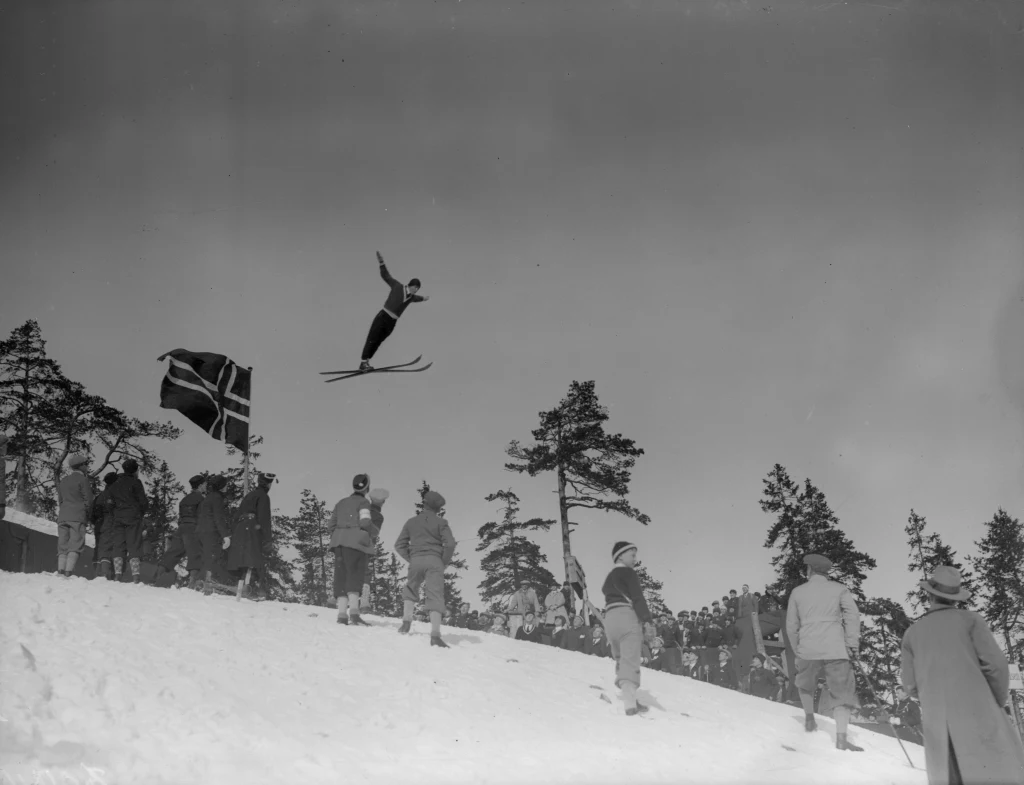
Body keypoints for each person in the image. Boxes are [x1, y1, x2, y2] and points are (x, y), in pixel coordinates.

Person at [900, 566, 1024, 785]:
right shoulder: (971, 621)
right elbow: (996, 666)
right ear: (955, 598)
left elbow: (909, 684)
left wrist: (934, 699)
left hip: (938, 724)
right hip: (978, 714)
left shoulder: (912, 634)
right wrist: (996, 701)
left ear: (930, 595)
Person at [786, 553, 863, 752]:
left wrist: (797, 649)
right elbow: (852, 615)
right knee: (842, 691)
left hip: (808, 647)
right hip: (835, 647)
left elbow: (791, 626)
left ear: (810, 570)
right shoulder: (839, 589)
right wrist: (852, 643)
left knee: (805, 683)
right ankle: (841, 738)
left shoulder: (797, 592)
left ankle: (809, 720)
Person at [394, 489, 456, 647]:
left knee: (411, 588)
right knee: (435, 594)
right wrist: (443, 562)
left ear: (424, 504)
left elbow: (399, 545)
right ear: (438, 508)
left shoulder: (411, 522)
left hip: (416, 560)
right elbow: (450, 544)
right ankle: (435, 635)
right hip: (435, 561)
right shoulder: (441, 522)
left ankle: (406, 623)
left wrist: (412, 558)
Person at [601, 541, 654, 716]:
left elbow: (605, 590)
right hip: (627, 616)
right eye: (632, 555)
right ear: (621, 556)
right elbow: (637, 597)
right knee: (630, 659)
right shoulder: (629, 573)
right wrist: (647, 620)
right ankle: (630, 704)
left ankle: (627, 695)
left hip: (610, 618)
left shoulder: (609, 577)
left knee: (620, 659)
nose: (635, 558)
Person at [359, 252, 429, 372]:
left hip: (391, 323)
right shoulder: (397, 286)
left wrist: (424, 298)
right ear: (411, 285)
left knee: (378, 341)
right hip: (383, 317)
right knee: (372, 338)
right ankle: (363, 362)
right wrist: (381, 263)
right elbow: (386, 276)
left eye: (418, 289)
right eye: (416, 288)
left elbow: (417, 298)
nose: (416, 290)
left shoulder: (411, 297)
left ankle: (367, 362)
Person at [328, 474, 376, 625]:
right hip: (356, 544)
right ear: (367, 488)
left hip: (339, 543)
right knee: (354, 576)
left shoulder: (341, 503)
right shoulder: (363, 502)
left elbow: (331, 525)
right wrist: (373, 532)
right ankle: (354, 613)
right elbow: (365, 521)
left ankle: (342, 615)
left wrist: (340, 535)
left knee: (341, 578)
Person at [227, 472, 276, 597]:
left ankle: (242, 588)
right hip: (252, 529)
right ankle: (248, 590)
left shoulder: (249, 495)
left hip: (241, 529)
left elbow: (237, 515)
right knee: (252, 559)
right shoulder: (263, 496)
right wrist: (268, 539)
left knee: (243, 559)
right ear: (268, 485)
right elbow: (264, 519)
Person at [155, 474, 206, 588]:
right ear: (200, 486)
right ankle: (192, 583)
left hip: (181, 528)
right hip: (193, 528)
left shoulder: (184, 500)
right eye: (205, 484)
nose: (206, 486)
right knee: (195, 554)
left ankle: (157, 577)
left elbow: (181, 517)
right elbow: (202, 517)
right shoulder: (201, 499)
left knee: (173, 553)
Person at [108, 458, 150, 584]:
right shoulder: (136, 482)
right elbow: (143, 502)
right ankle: (136, 576)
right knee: (134, 544)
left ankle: (117, 575)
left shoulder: (115, 484)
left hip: (118, 517)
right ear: (135, 470)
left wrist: (115, 514)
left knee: (118, 545)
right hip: (133, 517)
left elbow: (109, 503)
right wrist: (140, 513)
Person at [56, 454, 93, 577]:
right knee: (76, 544)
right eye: (86, 464)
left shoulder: (64, 480)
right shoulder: (83, 480)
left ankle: (60, 571)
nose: (87, 467)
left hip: (63, 516)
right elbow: (88, 500)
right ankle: (69, 572)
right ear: (81, 466)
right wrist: (88, 515)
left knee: (63, 545)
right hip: (78, 516)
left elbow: (61, 500)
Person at [196, 475, 231, 595]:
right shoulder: (217, 498)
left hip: (201, 531)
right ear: (221, 486)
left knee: (207, 557)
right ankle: (205, 583)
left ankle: (201, 583)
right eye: (225, 484)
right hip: (211, 532)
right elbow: (218, 517)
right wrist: (225, 535)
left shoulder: (208, 497)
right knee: (213, 556)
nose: (227, 486)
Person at [360, 488, 390, 612]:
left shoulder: (361, 511)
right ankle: (364, 603)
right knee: (365, 573)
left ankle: (338, 599)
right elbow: (374, 533)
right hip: (365, 546)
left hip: (351, 543)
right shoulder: (378, 516)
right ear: (383, 502)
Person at [90, 472, 119, 579]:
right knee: (107, 547)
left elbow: (91, 513)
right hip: (109, 522)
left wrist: (95, 522)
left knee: (98, 547)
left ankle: (97, 573)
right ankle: (105, 574)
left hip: (98, 524)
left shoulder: (99, 496)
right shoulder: (114, 496)